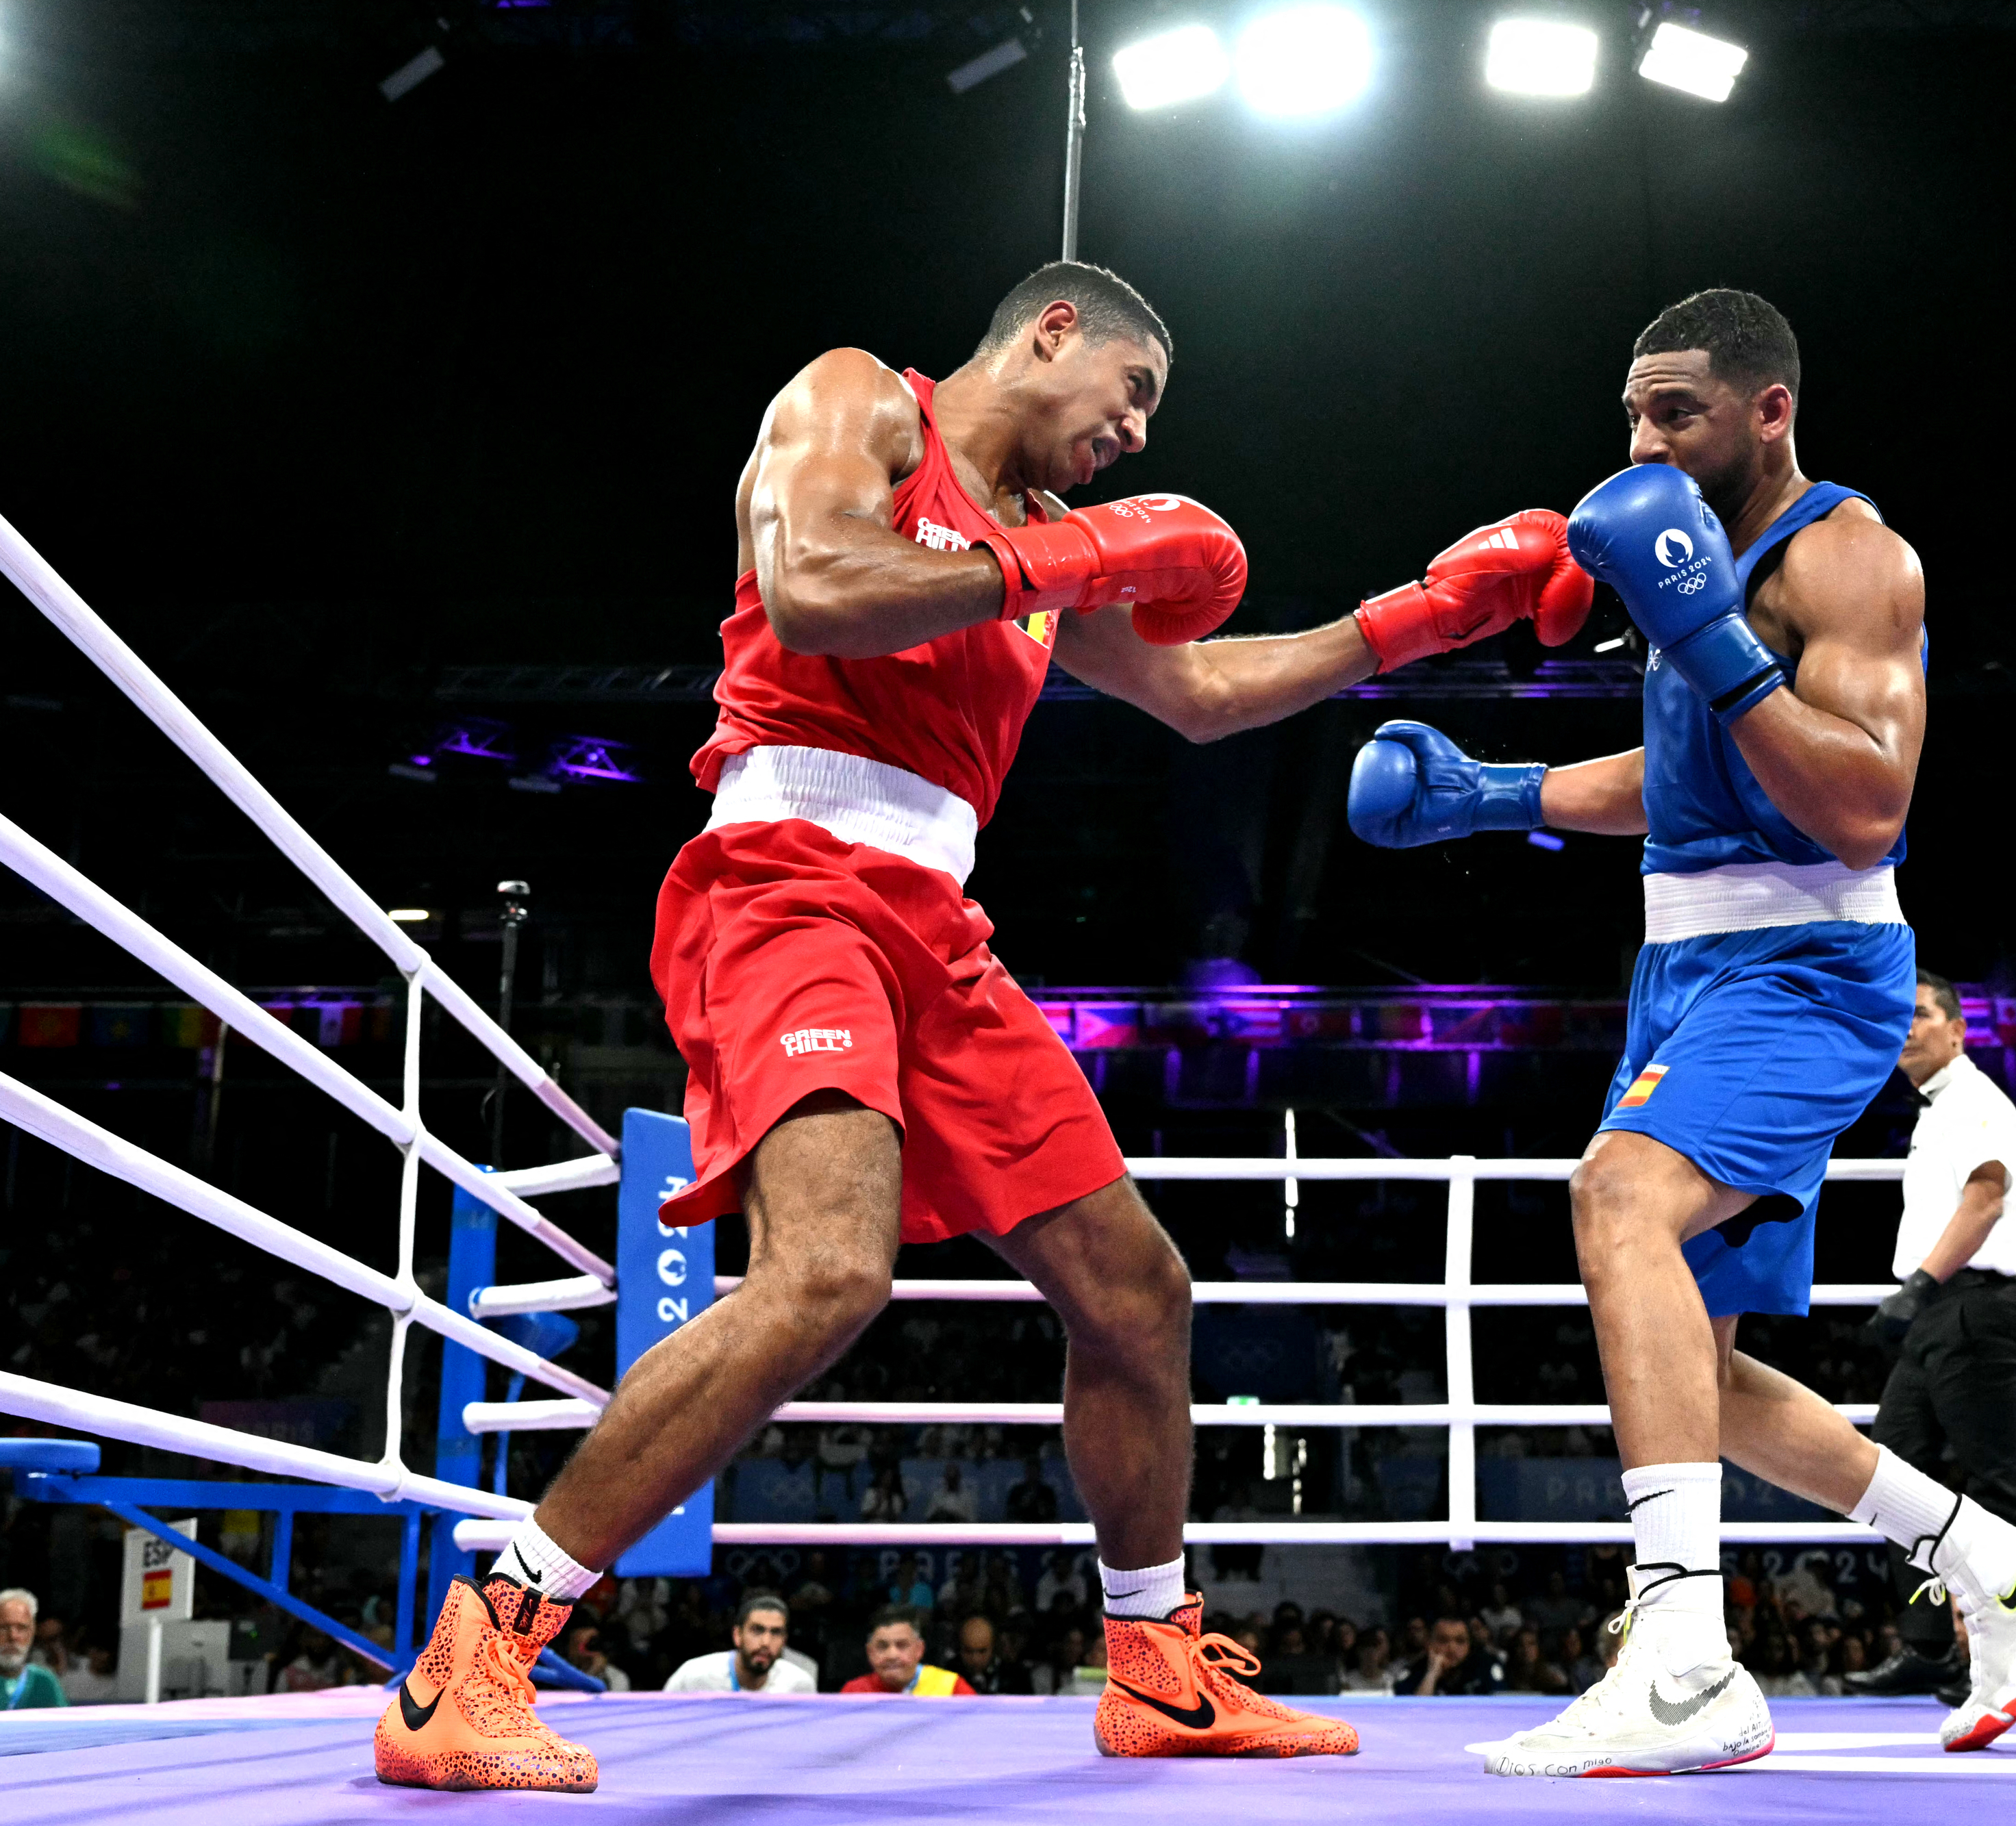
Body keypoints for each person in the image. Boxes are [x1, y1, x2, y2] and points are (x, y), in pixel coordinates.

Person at [379, 258, 1590, 1792]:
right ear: (1053, 332)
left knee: (1138, 1292)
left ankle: (1154, 1666)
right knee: (827, 1271)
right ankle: (476, 1655)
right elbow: (816, 586)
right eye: (1133, 393)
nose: (1137, 434)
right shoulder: (863, 401)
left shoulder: (1040, 542)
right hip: (788, 880)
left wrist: (1415, 619)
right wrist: (1058, 561)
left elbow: (1201, 692)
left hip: (937, 927)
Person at [1350, 289, 2016, 1776]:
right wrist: (1495, 795)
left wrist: (1706, 633)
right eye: (1631, 412)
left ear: (1769, 409)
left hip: (1807, 963)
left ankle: (1684, 1661)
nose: (1642, 441)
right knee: (1700, 1366)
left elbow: (1864, 802)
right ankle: (2000, 1569)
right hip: (1683, 967)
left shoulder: (1849, 555)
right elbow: (1691, 769)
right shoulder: (1693, 550)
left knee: (1615, 1195)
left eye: (1675, 411)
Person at [1850, 970, 2016, 1699]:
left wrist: (1920, 1285)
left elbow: (1986, 1200)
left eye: (1921, 1014)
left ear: (1958, 1031)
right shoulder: (1936, 1108)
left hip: (1972, 1305)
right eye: (1897, 1015)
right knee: (1895, 1473)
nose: (1906, 1027)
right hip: (1939, 1311)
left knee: (1998, 1481)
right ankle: (1928, 1646)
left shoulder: (1976, 1099)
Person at [664, 1593, 816, 1695]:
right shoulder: (694, 1676)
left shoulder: (799, 1685)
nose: (766, 1642)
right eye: (757, 1630)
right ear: (737, 1635)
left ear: (784, 1640)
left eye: (776, 1632)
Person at [840, 1607, 971, 1697]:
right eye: (882, 1647)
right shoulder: (854, 1693)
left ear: (919, 1649)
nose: (892, 1655)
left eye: (902, 1645)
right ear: (870, 1652)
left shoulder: (951, 1688)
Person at [1396, 1615, 1503, 1697]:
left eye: (1460, 1641)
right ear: (1429, 1644)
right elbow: (1413, 1714)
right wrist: (1432, 1674)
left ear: (1469, 1646)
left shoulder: (1486, 1667)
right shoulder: (1414, 1672)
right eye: (1443, 1641)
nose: (1452, 1649)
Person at [0, 1588, 66, 1710]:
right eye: (3, 1628)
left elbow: (64, 1721)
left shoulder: (44, 1681)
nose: (13, 1637)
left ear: (32, 1632)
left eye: (21, 1628)